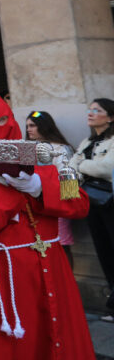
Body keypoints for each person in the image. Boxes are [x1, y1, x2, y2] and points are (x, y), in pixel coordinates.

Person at [0, 93, 94, 359]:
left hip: (51, 268)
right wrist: (0, 185)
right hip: (5, 279)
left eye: (8, 118)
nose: (7, 126)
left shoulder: (45, 158)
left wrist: (39, 187)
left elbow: (80, 203)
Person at [69, 98, 114, 321]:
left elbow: (107, 168)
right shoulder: (87, 141)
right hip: (91, 203)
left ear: (110, 117)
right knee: (104, 252)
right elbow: (68, 168)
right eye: (90, 109)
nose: (91, 113)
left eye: (97, 110)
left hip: (110, 203)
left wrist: (81, 166)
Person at [26, 110, 76, 267]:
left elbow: (69, 181)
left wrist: (65, 204)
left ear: (44, 126)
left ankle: (68, 280)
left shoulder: (61, 149)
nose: (28, 129)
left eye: (32, 125)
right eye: (27, 126)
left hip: (57, 203)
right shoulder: (26, 149)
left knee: (61, 244)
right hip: (33, 206)